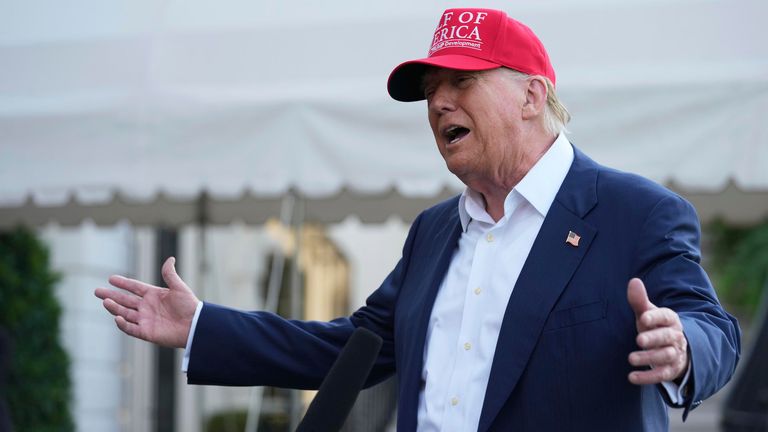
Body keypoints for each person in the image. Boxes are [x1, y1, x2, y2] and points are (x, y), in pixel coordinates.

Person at [95, 8, 741, 431]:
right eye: (431, 90)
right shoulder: (434, 232)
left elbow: (715, 331)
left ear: (531, 95)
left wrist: (683, 346)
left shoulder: (634, 213)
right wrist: (202, 326)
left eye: (461, 82)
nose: (438, 103)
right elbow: (351, 349)